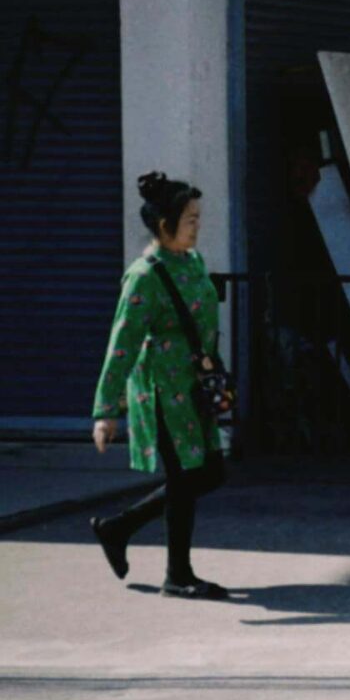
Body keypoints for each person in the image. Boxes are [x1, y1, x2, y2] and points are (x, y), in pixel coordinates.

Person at [90, 172, 233, 600]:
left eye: (197, 217)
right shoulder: (144, 277)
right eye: (189, 219)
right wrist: (105, 412)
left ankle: (117, 528)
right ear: (164, 225)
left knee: (208, 473)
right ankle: (178, 575)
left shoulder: (192, 262)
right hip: (160, 393)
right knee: (186, 477)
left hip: (194, 389)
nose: (197, 225)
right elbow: (122, 345)